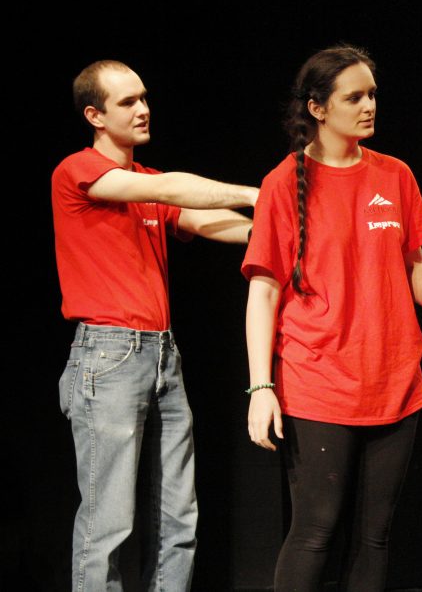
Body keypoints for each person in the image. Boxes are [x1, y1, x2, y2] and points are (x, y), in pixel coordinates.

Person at [243, 45, 422, 591]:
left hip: (393, 380)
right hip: (318, 383)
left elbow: (414, 265)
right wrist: (260, 386)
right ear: (318, 108)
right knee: (315, 530)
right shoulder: (282, 184)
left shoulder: (395, 175)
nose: (368, 106)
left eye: (372, 95)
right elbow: (263, 294)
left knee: (375, 537)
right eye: (353, 97)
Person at [53, 60, 258, 591]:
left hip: (162, 356)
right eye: (128, 102)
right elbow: (175, 192)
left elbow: (204, 221)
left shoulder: (144, 182)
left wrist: (282, 234)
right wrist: (254, 192)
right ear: (95, 115)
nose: (143, 109)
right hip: (109, 354)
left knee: (179, 518)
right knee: (109, 525)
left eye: (144, 98)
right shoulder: (78, 170)